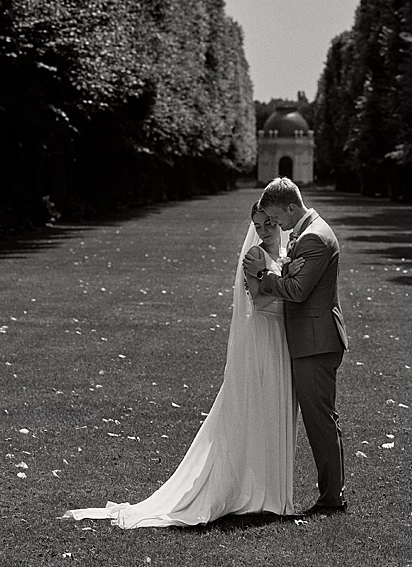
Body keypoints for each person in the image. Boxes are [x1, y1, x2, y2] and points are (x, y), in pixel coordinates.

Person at [62, 202, 304, 528]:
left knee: (275, 408)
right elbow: (260, 302)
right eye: (258, 225)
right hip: (264, 337)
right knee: (257, 407)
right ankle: (253, 489)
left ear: (278, 222)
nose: (264, 230)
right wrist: (288, 282)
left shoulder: (288, 251)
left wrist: (289, 276)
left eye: (269, 224)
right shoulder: (254, 258)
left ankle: (272, 489)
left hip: (282, 338)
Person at [243, 177, 350, 516]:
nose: (277, 226)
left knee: (320, 421)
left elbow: (298, 292)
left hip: (315, 343)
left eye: (277, 218)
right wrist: (287, 267)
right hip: (313, 340)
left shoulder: (314, 238)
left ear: (291, 208)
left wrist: (264, 275)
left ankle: (332, 498)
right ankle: (331, 494)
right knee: (320, 420)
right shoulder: (310, 233)